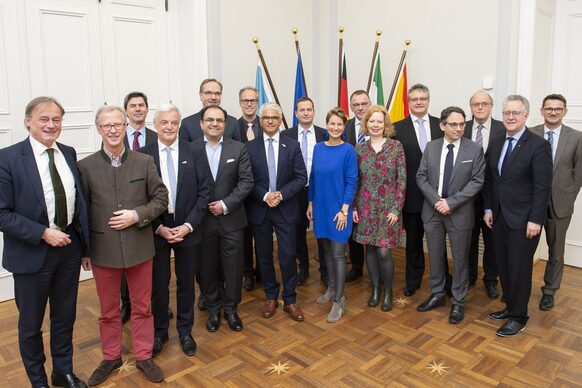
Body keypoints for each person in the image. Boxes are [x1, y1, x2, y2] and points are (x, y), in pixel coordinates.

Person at [0, 96, 90, 388]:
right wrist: (42, 232)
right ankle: (38, 381)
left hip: (68, 250)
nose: (51, 125)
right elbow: (2, 214)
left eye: (56, 120)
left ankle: (62, 373)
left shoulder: (69, 152)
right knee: (30, 326)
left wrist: (85, 248)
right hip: (32, 253)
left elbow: (80, 205)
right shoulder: (8, 158)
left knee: (65, 317)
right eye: (44, 119)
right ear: (28, 121)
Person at [79, 106, 168, 384]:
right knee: (108, 310)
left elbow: (161, 199)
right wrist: (84, 250)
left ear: (126, 125)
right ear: (99, 130)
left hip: (140, 248)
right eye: (107, 126)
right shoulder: (86, 166)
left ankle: (143, 355)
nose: (114, 130)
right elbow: (81, 212)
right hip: (103, 252)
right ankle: (111, 356)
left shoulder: (144, 162)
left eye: (118, 124)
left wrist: (136, 215)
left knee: (143, 307)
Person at [140, 103, 210, 357]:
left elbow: (204, 193)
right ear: (155, 125)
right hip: (156, 228)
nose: (169, 127)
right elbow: (140, 197)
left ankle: (185, 331)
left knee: (186, 283)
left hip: (187, 227)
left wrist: (189, 225)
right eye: (164, 123)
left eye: (174, 122)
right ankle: (160, 332)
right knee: (159, 284)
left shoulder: (195, 151)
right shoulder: (144, 154)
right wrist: (158, 227)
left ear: (179, 124)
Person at [483, 95, 552, 337]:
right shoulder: (498, 139)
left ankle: (519, 317)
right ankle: (510, 307)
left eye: (516, 113)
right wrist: (489, 208)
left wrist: (536, 219)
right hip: (499, 217)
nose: (510, 117)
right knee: (504, 265)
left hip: (525, 221)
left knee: (520, 268)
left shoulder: (538, 145)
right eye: (506, 113)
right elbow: (491, 179)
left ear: (526, 116)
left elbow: (542, 187)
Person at [416, 107, 485, 324]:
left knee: (460, 259)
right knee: (435, 256)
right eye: (453, 124)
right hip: (433, 211)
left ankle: (458, 301)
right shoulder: (431, 147)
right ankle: (437, 294)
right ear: (442, 125)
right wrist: (437, 201)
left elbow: (477, 181)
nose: (458, 128)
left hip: (459, 213)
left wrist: (451, 203)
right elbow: (421, 177)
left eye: (462, 124)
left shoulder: (474, 150)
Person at [194, 106, 254, 332]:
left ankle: (231, 309)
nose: (215, 123)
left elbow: (246, 181)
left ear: (225, 124)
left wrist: (225, 204)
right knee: (207, 268)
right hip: (203, 222)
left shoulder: (238, 148)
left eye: (219, 120)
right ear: (201, 124)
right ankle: (213, 309)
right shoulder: (190, 150)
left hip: (232, 219)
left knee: (233, 267)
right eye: (210, 119)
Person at [246, 102, 307, 322]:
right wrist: (265, 196)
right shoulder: (249, 147)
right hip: (260, 209)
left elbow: (302, 178)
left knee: (288, 255)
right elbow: (246, 180)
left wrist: (280, 194)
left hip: (286, 208)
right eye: (266, 118)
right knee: (263, 256)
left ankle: (290, 299)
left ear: (280, 120)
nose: (270, 121)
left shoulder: (292, 145)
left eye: (274, 117)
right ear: (260, 121)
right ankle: (271, 296)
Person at [394, 83, 447, 297]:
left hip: (439, 196)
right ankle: (413, 280)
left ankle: (445, 281)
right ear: (409, 102)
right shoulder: (397, 128)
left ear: (428, 100)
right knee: (414, 243)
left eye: (422, 98)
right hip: (412, 197)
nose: (418, 102)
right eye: (414, 99)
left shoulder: (441, 125)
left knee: (439, 244)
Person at [530, 94, 582, 311]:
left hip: (559, 203)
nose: (553, 112)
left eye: (557, 109)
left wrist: (568, 195)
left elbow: (578, 173)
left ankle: (549, 291)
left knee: (556, 250)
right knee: (523, 249)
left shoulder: (576, 137)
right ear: (541, 110)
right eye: (549, 108)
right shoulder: (530, 133)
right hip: (531, 203)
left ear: (565, 112)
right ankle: (518, 288)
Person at [353, 106, 406, 312]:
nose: (375, 125)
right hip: (365, 207)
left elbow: (401, 180)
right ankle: (375, 289)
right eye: (371, 121)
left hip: (388, 209)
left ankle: (388, 291)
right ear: (366, 124)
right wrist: (355, 207)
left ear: (385, 125)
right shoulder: (360, 148)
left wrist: (396, 209)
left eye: (379, 121)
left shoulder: (396, 147)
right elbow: (356, 180)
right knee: (371, 249)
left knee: (384, 251)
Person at [308, 107, 358, 323]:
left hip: (339, 210)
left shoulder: (348, 150)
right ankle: (331, 287)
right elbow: (313, 177)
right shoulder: (318, 148)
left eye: (339, 124)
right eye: (332, 123)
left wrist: (345, 210)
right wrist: (310, 203)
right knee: (326, 252)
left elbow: (352, 181)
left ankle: (339, 300)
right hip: (320, 207)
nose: (335, 127)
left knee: (338, 254)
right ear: (326, 125)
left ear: (344, 127)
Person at [120, 91, 159, 324]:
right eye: (133, 105)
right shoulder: (116, 135)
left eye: (141, 105)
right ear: (126, 110)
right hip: (128, 209)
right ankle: (127, 304)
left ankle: (154, 303)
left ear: (147, 109)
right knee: (127, 261)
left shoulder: (157, 136)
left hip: (152, 207)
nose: (137, 109)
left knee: (151, 262)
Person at [282, 96, 328, 286]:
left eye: (309, 109)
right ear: (296, 113)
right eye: (302, 110)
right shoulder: (286, 135)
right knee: (298, 231)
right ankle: (304, 268)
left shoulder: (325, 134)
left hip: (320, 190)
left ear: (314, 112)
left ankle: (325, 270)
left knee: (322, 231)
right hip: (296, 191)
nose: (306, 113)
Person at [464, 90, 505, 299]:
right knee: (468, 239)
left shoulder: (503, 128)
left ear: (491, 106)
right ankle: (469, 276)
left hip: (494, 197)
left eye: (484, 104)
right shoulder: (462, 127)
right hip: (467, 196)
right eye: (476, 104)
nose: (480, 107)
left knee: (492, 241)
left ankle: (490, 280)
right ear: (470, 107)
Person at [342, 90, 369, 282]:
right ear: (351, 107)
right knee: (354, 230)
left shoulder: (380, 124)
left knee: (376, 229)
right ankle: (357, 267)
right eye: (356, 104)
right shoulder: (345, 127)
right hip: (352, 184)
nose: (360, 108)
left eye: (363, 103)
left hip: (376, 187)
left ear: (369, 104)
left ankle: (377, 271)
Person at [237, 86, 261, 291]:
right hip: (241, 192)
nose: (250, 104)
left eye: (253, 100)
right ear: (240, 103)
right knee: (245, 236)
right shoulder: (232, 127)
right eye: (246, 101)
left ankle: (262, 269)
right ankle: (247, 273)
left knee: (261, 234)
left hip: (262, 190)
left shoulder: (268, 123)